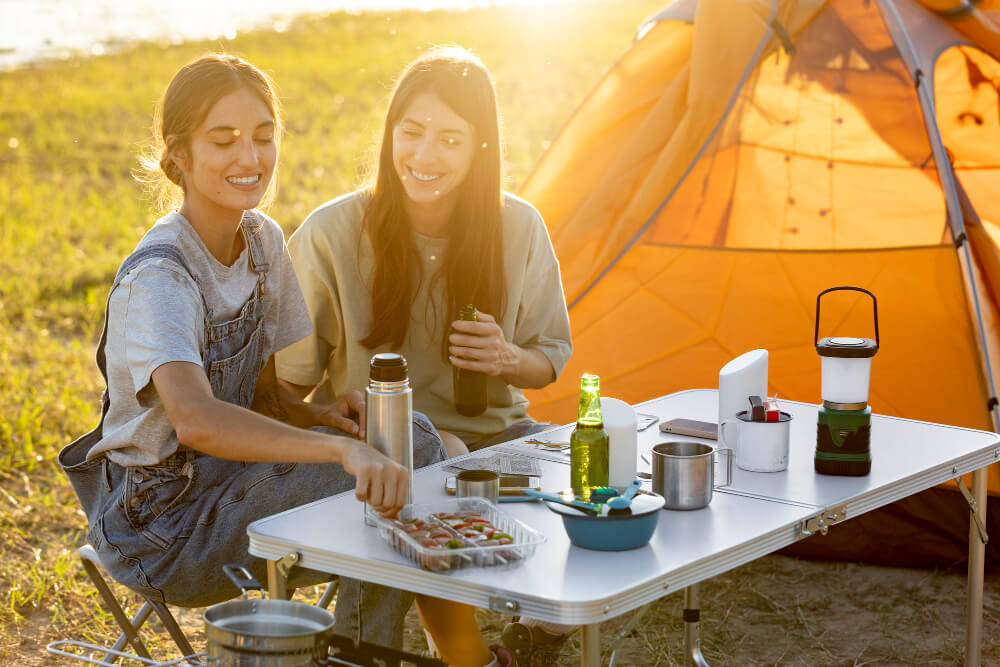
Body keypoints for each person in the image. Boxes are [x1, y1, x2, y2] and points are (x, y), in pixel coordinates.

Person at [58, 53, 513, 667]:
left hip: (234, 488)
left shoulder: (262, 242)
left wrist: (323, 415)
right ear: (179, 155)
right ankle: (380, 656)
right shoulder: (160, 277)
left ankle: (378, 651)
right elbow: (196, 421)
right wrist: (342, 450)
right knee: (399, 456)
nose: (249, 158)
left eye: (263, 137)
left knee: (406, 438)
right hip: (163, 528)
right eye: (223, 141)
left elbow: (267, 398)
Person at [274, 45, 574, 664]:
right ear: (389, 137)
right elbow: (286, 386)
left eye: (449, 140)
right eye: (410, 134)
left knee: (598, 481)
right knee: (409, 485)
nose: (424, 156)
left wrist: (506, 357)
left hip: (499, 440)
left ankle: (548, 624)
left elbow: (549, 360)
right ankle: (385, 654)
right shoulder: (334, 233)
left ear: (479, 148)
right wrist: (340, 429)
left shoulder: (518, 226)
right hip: (379, 453)